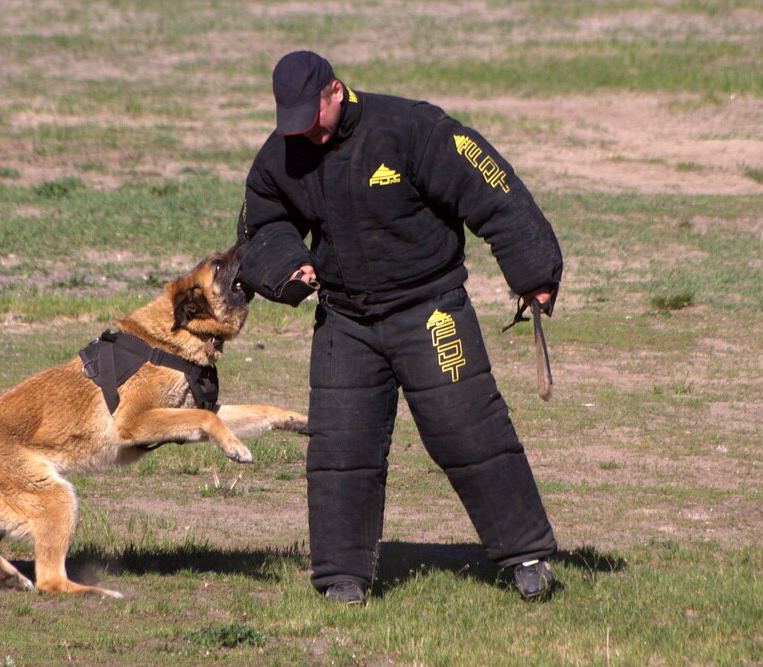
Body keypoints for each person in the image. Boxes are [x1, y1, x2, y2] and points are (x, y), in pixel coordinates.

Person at [236, 51, 562, 605]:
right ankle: (343, 578)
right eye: (292, 123)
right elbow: (262, 223)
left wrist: (532, 271)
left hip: (429, 308)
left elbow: (494, 188)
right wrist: (289, 266)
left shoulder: (411, 128)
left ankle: (526, 557)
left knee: (471, 434)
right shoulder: (281, 154)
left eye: (312, 119)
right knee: (340, 450)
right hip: (345, 318)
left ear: (335, 92)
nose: (306, 134)